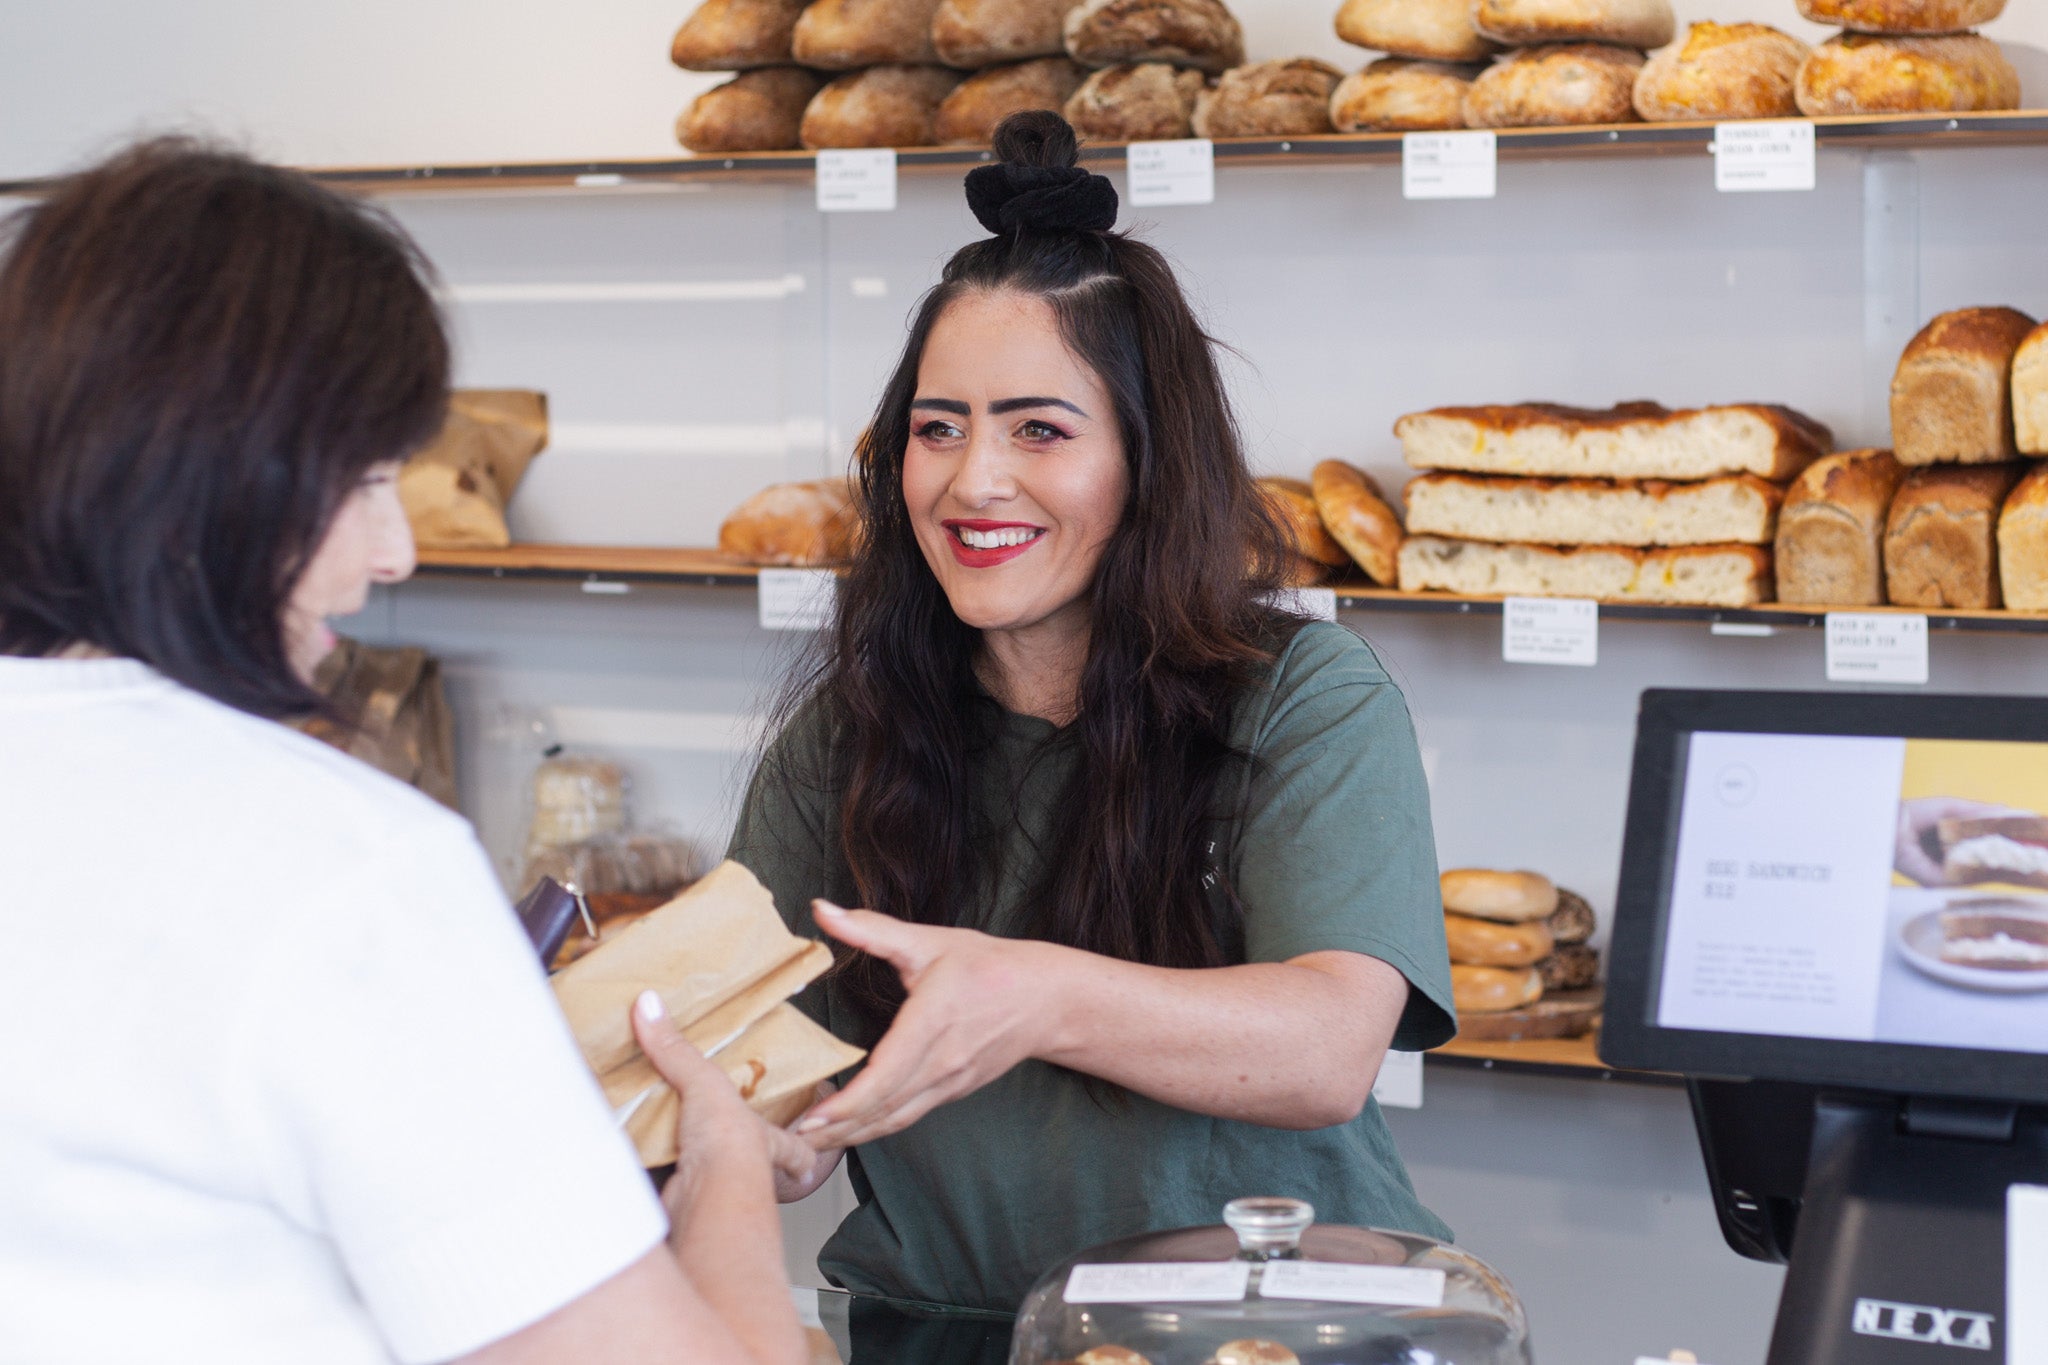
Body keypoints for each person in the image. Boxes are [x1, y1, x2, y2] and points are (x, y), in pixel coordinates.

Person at [0, 141, 807, 1365]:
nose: (394, 552)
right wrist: (724, 1181)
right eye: (367, 476)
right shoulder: (342, 862)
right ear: (220, 472)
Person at [732, 112, 1457, 1314]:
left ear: (1145, 459)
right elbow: (765, 1068)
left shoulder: (1301, 698)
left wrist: (1027, 997)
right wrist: (759, 1126)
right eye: (937, 428)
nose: (974, 481)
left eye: (1038, 430)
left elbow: (1328, 1048)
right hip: (936, 1338)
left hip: (1250, 1337)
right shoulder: (854, 731)